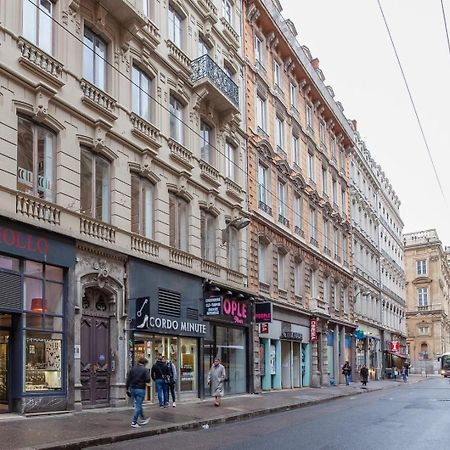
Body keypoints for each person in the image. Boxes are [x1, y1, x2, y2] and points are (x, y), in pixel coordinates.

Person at [126, 357, 150, 428]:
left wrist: (127, 389)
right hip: (140, 389)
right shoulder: (145, 370)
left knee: (138, 404)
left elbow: (128, 379)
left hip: (132, 388)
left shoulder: (132, 369)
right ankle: (134, 422)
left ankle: (143, 418)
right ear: (144, 363)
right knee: (138, 406)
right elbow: (148, 379)